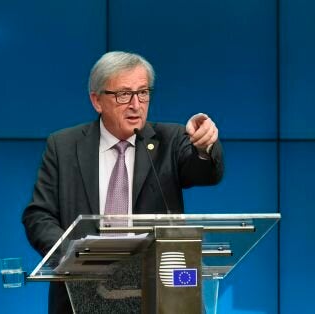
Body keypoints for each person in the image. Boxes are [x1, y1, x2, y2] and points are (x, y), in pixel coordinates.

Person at [22, 51, 224, 313]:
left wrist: (203, 146)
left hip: (160, 293)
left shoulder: (170, 140)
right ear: (97, 100)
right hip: (83, 293)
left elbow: (205, 173)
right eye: (123, 95)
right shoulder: (64, 146)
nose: (136, 104)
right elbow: (39, 215)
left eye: (143, 93)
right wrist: (71, 258)